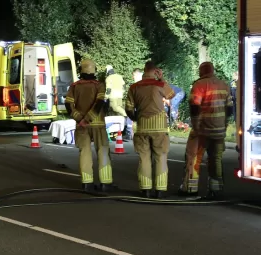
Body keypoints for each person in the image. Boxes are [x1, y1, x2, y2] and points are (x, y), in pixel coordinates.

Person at [179, 62, 233, 198]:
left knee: (194, 158)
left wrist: (196, 125)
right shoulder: (224, 85)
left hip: (202, 130)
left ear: (201, 71)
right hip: (219, 131)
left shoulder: (199, 85)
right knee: (216, 159)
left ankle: (190, 189)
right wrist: (225, 124)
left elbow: (194, 106)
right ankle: (215, 190)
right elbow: (230, 108)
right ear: (213, 71)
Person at [125, 61, 175, 198]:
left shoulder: (134, 87)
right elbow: (171, 95)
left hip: (142, 127)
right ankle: (160, 190)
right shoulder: (159, 85)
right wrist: (162, 79)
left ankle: (146, 189)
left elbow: (128, 108)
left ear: (144, 71)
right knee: (161, 157)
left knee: (144, 158)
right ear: (155, 71)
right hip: (159, 128)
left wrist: (136, 118)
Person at [65, 59, 116, 192]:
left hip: (82, 126)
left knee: (84, 153)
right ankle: (105, 183)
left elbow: (68, 105)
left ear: (81, 70)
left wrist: (80, 119)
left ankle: (87, 183)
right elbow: (99, 103)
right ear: (94, 71)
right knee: (103, 151)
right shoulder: (99, 85)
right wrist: (89, 118)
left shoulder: (74, 86)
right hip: (98, 124)